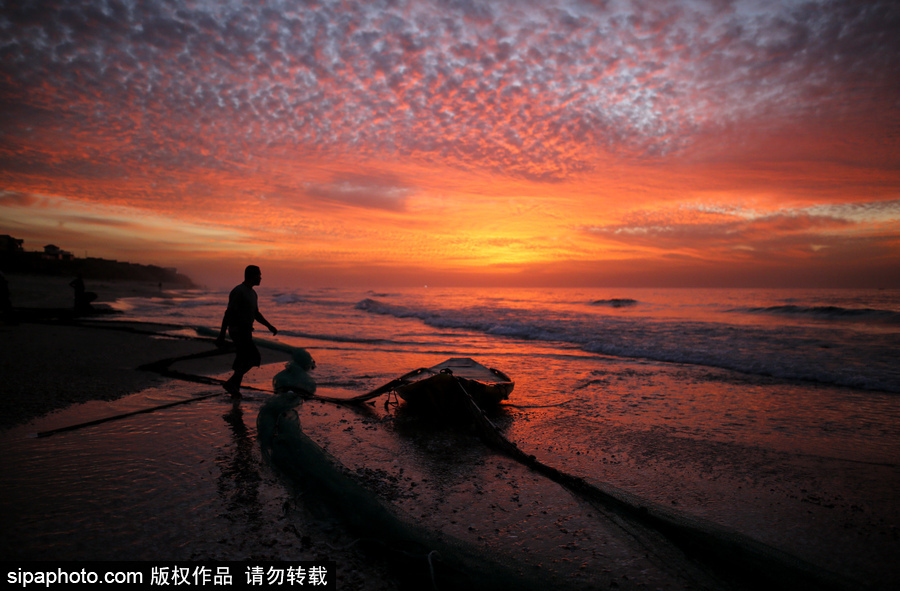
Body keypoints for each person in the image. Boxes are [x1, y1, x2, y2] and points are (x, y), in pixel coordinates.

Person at [216, 265, 278, 398]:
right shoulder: (239, 291)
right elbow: (228, 313)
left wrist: (269, 326)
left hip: (246, 331)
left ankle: (235, 391)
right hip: (238, 331)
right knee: (254, 358)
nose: (261, 278)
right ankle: (231, 384)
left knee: (242, 360)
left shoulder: (253, 293)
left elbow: (256, 313)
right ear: (252, 276)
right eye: (259, 275)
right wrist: (221, 335)